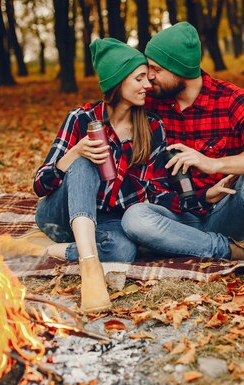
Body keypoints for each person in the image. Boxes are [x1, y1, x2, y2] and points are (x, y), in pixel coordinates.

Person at [121, 22, 244, 296]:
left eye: (157, 70)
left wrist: (213, 163)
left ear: (181, 70)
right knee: (134, 218)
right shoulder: (149, 103)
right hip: (175, 217)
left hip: (224, 213)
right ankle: (230, 250)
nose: (150, 77)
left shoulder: (231, 99)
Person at [25, 38, 192, 313]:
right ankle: (89, 268)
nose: (147, 85)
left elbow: (159, 191)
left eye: (146, 79)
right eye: (139, 79)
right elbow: (40, 185)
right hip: (60, 215)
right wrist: (75, 153)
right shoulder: (81, 118)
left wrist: (194, 205)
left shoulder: (151, 127)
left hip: (109, 220)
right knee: (84, 163)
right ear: (118, 81)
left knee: (123, 251)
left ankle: (57, 250)